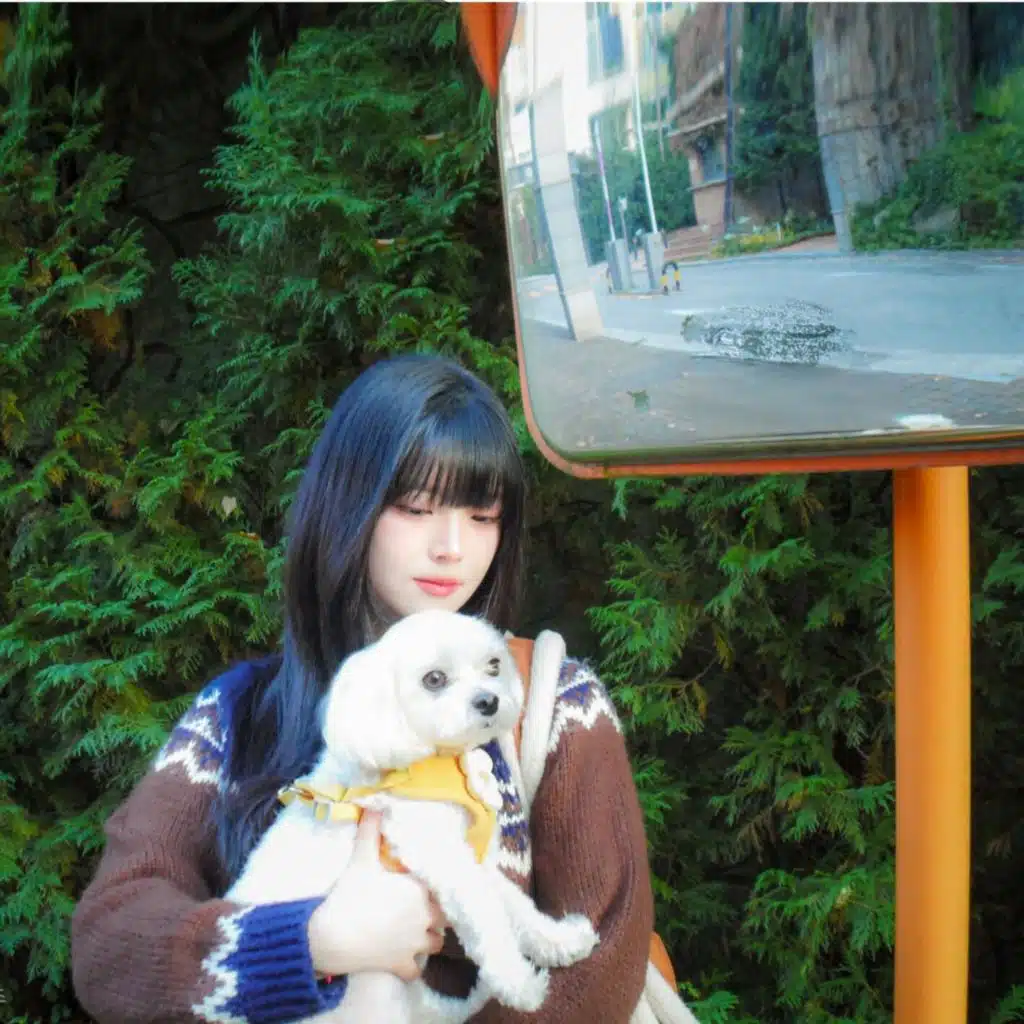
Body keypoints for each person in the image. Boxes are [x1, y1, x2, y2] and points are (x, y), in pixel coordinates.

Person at [71, 354, 654, 1023]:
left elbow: (599, 973)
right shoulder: (240, 713)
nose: (452, 547)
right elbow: (111, 945)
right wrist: (312, 942)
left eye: (482, 516)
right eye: (416, 508)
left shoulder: (554, 705)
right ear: (348, 503)